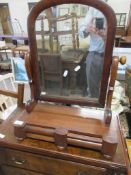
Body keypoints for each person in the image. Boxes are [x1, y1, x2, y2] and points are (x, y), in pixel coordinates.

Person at [79, 1, 107, 98]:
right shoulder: (92, 10)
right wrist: (88, 29)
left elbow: (112, 38)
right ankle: (93, 106)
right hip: (95, 55)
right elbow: (81, 34)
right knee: (92, 88)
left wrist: (105, 36)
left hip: (108, 55)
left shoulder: (109, 12)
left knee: (103, 85)